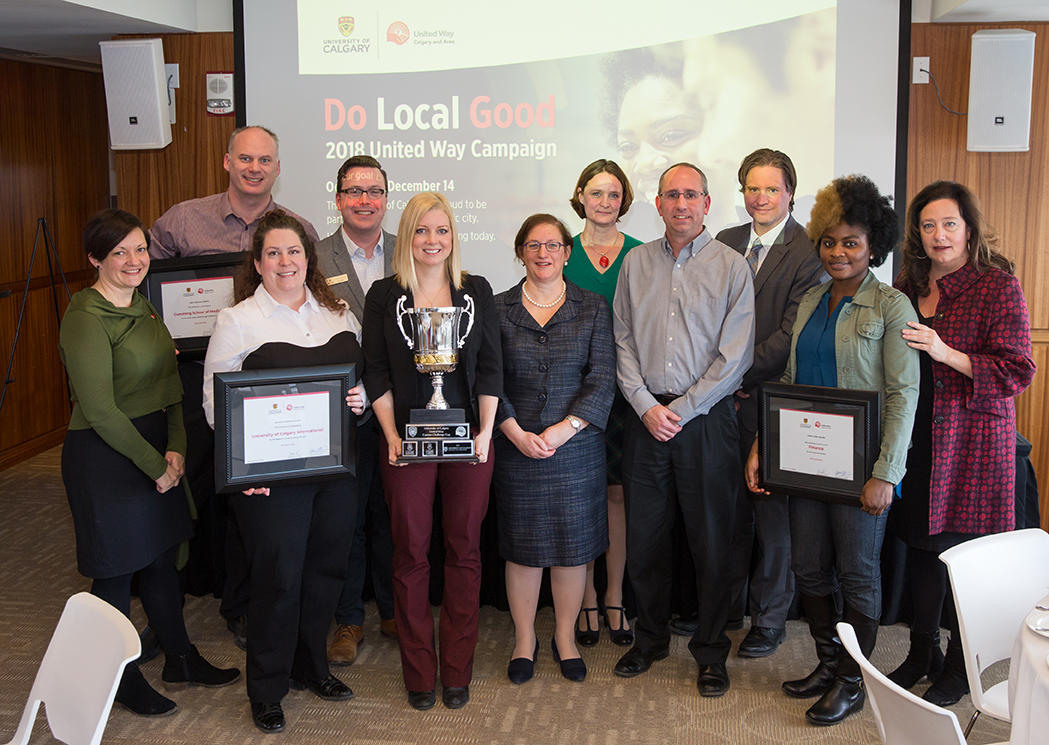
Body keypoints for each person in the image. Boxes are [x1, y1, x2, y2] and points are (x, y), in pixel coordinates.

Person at [744, 174, 920, 726]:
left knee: (858, 573)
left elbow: (902, 396)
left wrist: (886, 473)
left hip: (861, 469)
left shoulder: (893, 307)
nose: (838, 252)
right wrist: (761, 448)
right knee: (810, 568)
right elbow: (791, 381)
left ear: (874, 246)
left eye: (851, 242)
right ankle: (828, 663)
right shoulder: (812, 299)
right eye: (829, 241)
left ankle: (853, 680)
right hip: (804, 462)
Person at [59, 209, 239, 718]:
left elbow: (169, 387)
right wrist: (154, 465)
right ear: (95, 258)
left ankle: (179, 655)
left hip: (159, 448)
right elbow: (98, 410)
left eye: (141, 249)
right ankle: (118, 676)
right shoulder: (85, 318)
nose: (135, 260)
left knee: (162, 558)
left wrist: (176, 448)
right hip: (107, 458)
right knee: (116, 572)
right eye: (120, 252)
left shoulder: (145, 308)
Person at [148, 125, 320, 647]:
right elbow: (141, 279)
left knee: (252, 498)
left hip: (267, 392)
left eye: (265, 160)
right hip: (191, 374)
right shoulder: (184, 219)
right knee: (191, 484)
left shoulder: (296, 228)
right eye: (245, 158)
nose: (254, 168)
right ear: (227, 161)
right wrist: (159, 327)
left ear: (277, 167)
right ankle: (171, 598)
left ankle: (239, 602)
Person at [202, 209, 366, 734]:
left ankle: (310, 667)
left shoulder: (338, 313)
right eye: (273, 252)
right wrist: (242, 468)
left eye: (293, 251)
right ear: (257, 262)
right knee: (277, 580)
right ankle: (267, 688)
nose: (285, 261)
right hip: (269, 482)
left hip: (335, 473)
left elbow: (357, 379)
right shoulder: (238, 321)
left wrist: (361, 398)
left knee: (325, 572)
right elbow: (213, 403)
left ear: (308, 259)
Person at [887, 181, 1035, 705]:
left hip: (975, 440)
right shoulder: (908, 282)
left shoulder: (998, 284)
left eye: (949, 223)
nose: (938, 234)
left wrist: (946, 352)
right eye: (928, 225)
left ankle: (958, 661)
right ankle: (920, 650)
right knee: (923, 548)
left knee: (964, 555)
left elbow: (1019, 369)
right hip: (920, 434)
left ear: (969, 228)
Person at [612, 163, 754, 698]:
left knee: (711, 541)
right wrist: (645, 404)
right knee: (646, 539)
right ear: (658, 203)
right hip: (646, 418)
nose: (681, 204)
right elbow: (621, 340)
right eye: (672, 195)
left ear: (707, 204)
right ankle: (648, 640)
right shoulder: (635, 263)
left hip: (706, 420)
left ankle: (711, 650)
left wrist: (687, 407)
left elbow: (734, 356)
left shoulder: (731, 267)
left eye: (691, 195)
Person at [362, 192, 502, 711]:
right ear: (408, 237)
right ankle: (420, 672)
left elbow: (490, 367)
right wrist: (392, 436)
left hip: (469, 442)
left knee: (465, 551)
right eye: (421, 230)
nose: (432, 240)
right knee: (411, 552)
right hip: (405, 443)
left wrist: (485, 432)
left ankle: (457, 671)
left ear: (453, 237)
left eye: (441, 230)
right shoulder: (384, 296)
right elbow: (375, 370)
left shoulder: (476, 292)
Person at [495, 214, 616, 684]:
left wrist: (564, 429)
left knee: (573, 548)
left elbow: (603, 377)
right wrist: (515, 431)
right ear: (520, 252)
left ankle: (565, 637)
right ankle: (524, 638)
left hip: (576, 447)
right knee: (522, 549)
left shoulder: (592, 308)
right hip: (516, 445)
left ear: (568, 252)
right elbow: (490, 379)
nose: (543, 254)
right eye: (533, 245)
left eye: (553, 245)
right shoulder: (499, 308)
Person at [716, 149, 824, 658]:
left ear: (790, 194)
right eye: (751, 189)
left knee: (773, 518)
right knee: (727, 512)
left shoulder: (809, 252)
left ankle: (770, 619)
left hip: (773, 400)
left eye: (771, 189)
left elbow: (791, 335)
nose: (760, 198)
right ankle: (725, 608)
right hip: (719, 402)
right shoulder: (724, 242)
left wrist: (732, 372)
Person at [316, 155, 398, 665]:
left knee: (393, 515)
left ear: (386, 199)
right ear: (339, 198)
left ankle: (393, 609)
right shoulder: (315, 256)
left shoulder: (409, 251)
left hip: (398, 411)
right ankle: (348, 619)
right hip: (340, 412)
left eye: (374, 191)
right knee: (346, 520)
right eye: (354, 191)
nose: (364, 200)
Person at [563, 159, 641, 649]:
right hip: (574, 394)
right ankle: (586, 596)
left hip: (626, 393)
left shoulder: (639, 254)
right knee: (582, 496)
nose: (605, 202)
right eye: (597, 193)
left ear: (623, 201)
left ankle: (615, 596)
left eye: (614, 195)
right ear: (580, 196)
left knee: (617, 496)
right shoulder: (559, 250)